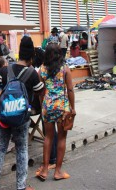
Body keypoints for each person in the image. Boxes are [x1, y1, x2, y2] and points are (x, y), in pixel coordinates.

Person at [0, 36, 44, 190]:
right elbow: (40, 91)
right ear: (31, 56)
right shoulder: (32, 73)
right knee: (21, 149)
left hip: (3, 117)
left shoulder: (6, 69)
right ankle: (21, 186)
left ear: (19, 53)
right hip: (22, 119)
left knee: (0, 148)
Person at [36, 44, 76, 181]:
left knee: (48, 137)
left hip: (47, 106)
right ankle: (58, 171)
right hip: (62, 107)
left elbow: (40, 92)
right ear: (60, 54)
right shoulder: (65, 69)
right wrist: (73, 107)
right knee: (61, 138)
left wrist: (43, 105)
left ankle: (45, 170)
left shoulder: (41, 69)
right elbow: (70, 89)